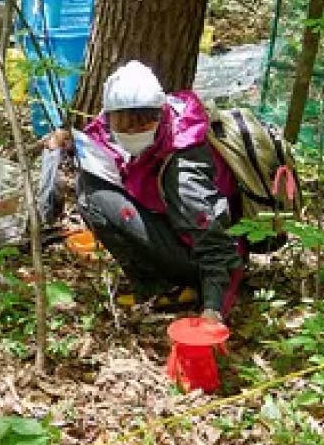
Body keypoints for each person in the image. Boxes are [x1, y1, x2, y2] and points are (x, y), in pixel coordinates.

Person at [47, 61, 244, 325]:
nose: (132, 130)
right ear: (109, 117)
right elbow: (101, 141)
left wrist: (213, 309)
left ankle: (169, 288)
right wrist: (69, 141)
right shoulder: (137, 126)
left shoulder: (184, 166)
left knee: (94, 199)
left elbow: (216, 244)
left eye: (143, 122)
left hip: (200, 256)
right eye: (124, 122)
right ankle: (156, 286)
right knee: (90, 187)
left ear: (160, 115)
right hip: (174, 230)